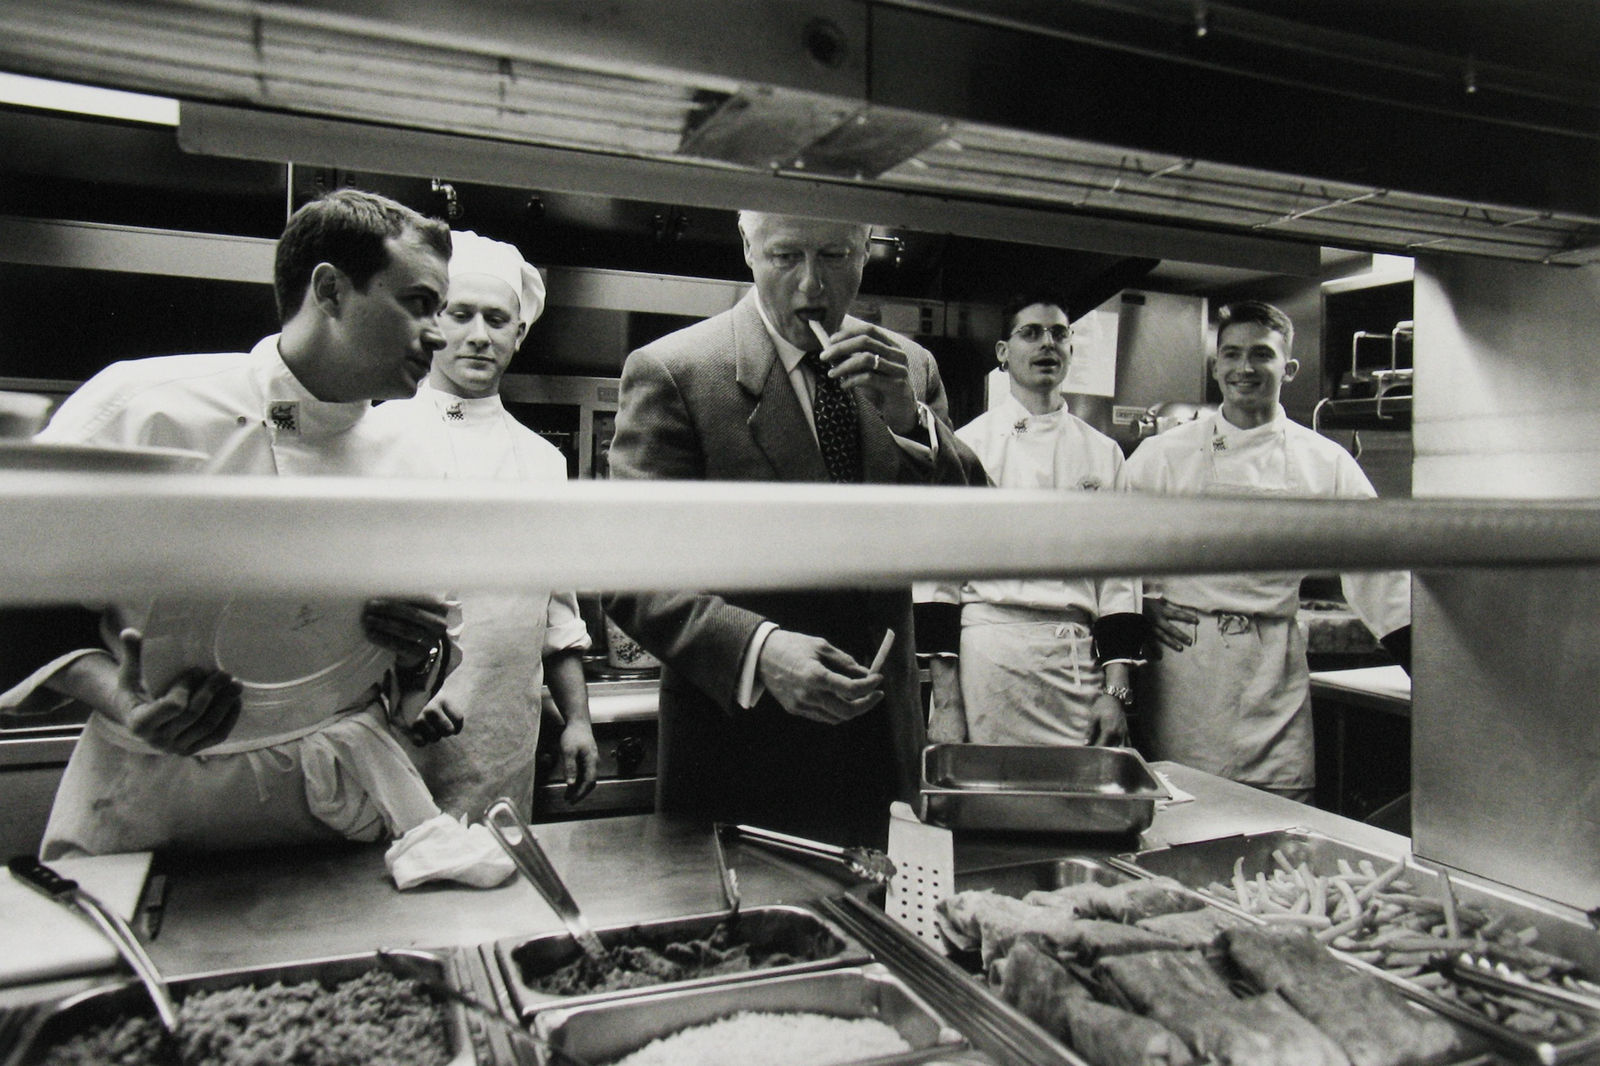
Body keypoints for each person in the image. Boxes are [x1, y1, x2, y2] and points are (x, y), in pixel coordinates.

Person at [2, 190, 503, 879]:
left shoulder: (415, 453)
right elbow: (17, 590)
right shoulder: (148, 406)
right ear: (329, 290)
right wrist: (123, 700)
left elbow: (419, 657)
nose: (439, 335)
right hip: (160, 794)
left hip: (337, 800)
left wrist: (418, 656)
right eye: (418, 303)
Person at [602, 210, 984, 846]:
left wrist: (912, 426)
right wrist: (760, 649)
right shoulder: (677, 371)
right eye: (786, 257)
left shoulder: (908, 369)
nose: (812, 286)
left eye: (835, 256)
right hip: (741, 754)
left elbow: (973, 538)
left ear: (868, 248)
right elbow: (629, 575)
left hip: (881, 757)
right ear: (748, 248)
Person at [1122, 300, 1412, 804]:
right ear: (1215, 368)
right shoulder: (1163, 455)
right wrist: (1140, 606)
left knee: (1280, 814)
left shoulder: (1324, 462)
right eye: (1231, 355)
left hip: (1272, 667)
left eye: (1261, 355)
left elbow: (1377, 564)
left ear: (1289, 368)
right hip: (1188, 667)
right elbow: (1111, 548)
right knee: (1184, 808)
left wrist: (1428, 667)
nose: (1244, 368)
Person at [368, 229, 598, 820]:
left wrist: (577, 721)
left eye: (497, 320)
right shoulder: (376, 438)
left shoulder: (541, 462)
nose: (478, 335)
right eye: (459, 313)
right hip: (390, 734)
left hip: (500, 746)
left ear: (518, 336)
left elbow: (557, 614)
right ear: (432, 321)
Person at [923, 293, 1143, 747]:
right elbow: (936, 579)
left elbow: (1120, 578)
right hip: (990, 658)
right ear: (1003, 354)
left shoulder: (1103, 453)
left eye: (1059, 334)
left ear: (1071, 349)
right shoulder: (965, 446)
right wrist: (946, 700)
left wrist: (1116, 690)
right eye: (1031, 333)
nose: (1048, 344)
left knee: (1073, 807)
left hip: (1074, 659)